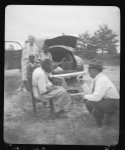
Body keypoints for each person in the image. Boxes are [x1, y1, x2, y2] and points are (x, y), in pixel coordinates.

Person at [83, 59, 119, 126]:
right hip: (108, 100)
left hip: (113, 102)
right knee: (89, 100)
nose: (88, 71)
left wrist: (84, 96)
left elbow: (96, 98)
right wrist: (82, 83)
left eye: (89, 69)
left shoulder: (101, 79)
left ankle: (101, 122)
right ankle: (106, 118)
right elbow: (90, 92)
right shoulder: (97, 78)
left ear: (95, 70)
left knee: (89, 102)